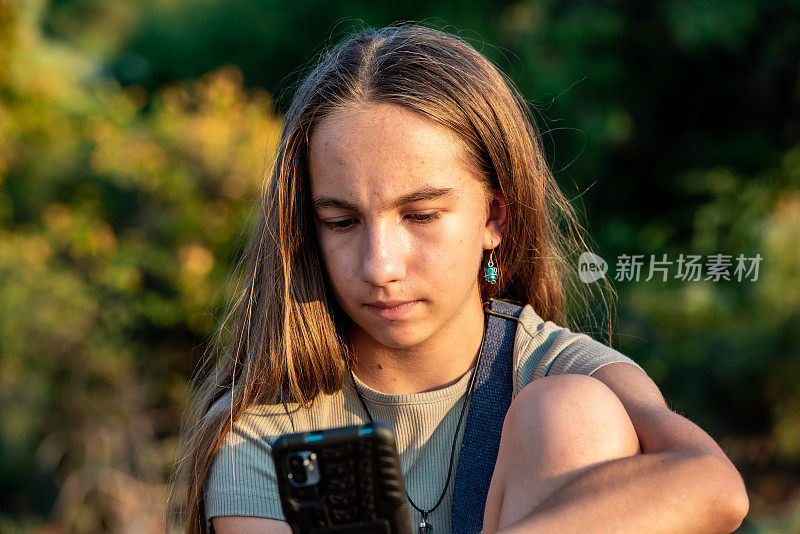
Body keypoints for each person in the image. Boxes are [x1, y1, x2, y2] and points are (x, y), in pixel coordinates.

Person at [167, 23, 749, 534]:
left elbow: (716, 490)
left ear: (494, 216)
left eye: (421, 216)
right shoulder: (265, 434)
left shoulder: (553, 368)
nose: (380, 267)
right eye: (342, 222)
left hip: (567, 409)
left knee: (573, 411)